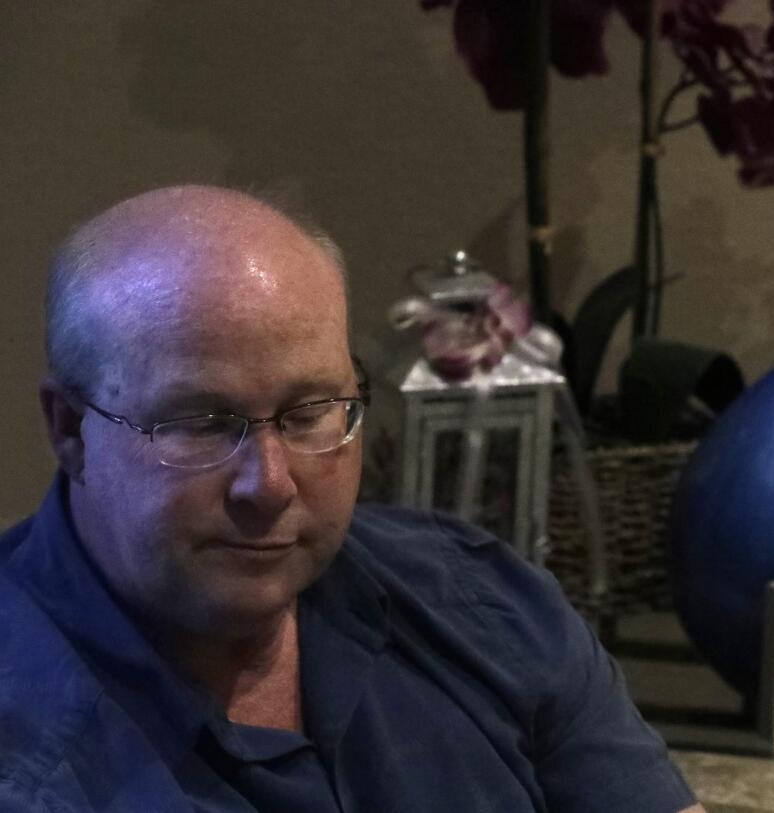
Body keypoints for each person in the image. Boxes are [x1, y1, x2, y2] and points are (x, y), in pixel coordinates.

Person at [0, 186, 703, 812]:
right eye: (202, 423)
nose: (269, 484)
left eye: (309, 411)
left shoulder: (485, 606)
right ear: (70, 430)